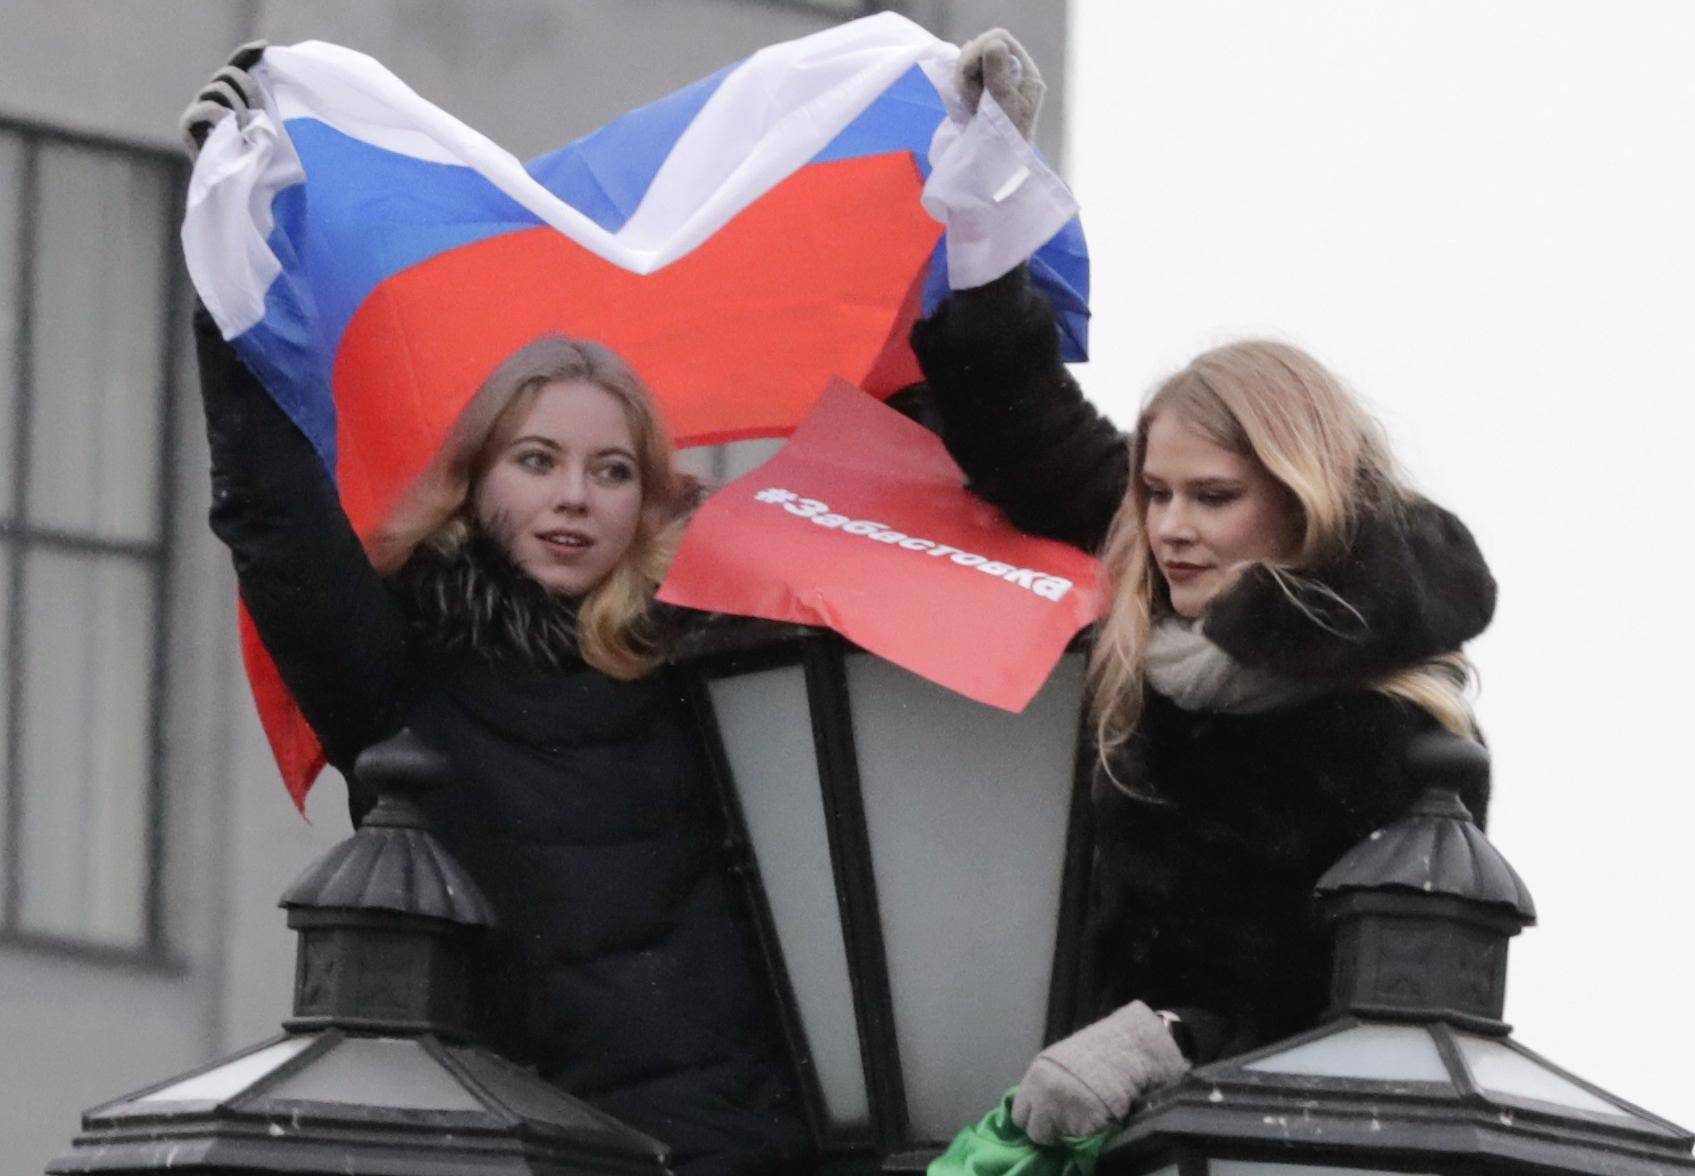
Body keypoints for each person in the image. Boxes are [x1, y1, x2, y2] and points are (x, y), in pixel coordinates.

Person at [183, 54, 811, 1176]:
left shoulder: (711, 661)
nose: (575, 496)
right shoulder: (399, 668)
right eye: (538, 461)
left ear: (651, 500)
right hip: (505, 1142)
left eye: (612, 471)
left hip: (733, 1142)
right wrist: (230, 277)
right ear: (473, 482)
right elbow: (277, 529)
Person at [914, 31, 1497, 1149]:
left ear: (1299, 497)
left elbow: (1377, 1007)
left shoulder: (1395, 719)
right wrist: (982, 225)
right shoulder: (1153, 558)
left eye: (1213, 497)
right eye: (1155, 489)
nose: (1171, 528)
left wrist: (1173, 1038)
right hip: (1085, 1125)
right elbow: (1023, 425)